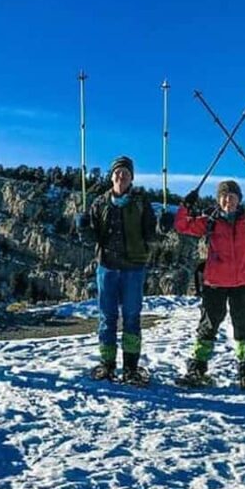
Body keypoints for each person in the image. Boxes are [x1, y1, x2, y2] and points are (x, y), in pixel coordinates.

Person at [174, 180, 245, 388]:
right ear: (219, 200)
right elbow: (182, 225)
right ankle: (197, 370)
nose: (228, 200)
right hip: (215, 283)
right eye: (224, 196)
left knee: (244, 329)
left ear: (239, 199)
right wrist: (185, 205)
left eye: (232, 196)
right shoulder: (210, 221)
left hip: (244, 283)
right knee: (207, 327)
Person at [76, 155, 158, 385]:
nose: (121, 176)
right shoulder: (99, 203)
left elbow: (152, 237)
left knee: (132, 318)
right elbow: (92, 238)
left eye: (126, 173)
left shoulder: (141, 202)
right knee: (107, 317)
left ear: (132, 178)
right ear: (111, 176)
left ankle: (130, 367)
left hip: (133, 268)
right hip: (107, 267)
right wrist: (83, 228)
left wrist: (163, 226)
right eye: (118, 172)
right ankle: (107, 364)